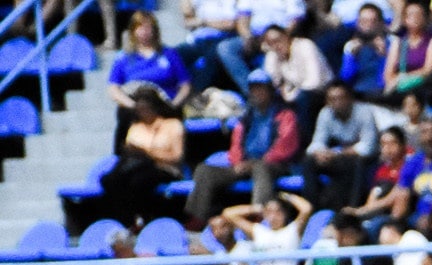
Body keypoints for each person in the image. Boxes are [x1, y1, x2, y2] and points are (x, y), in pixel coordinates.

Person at [186, 70, 301, 225]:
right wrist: (238, 161)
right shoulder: (246, 117)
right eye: (254, 89)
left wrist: (257, 162)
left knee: (261, 168)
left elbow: (286, 146)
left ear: (269, 90)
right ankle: (197, 219)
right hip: (245, 164)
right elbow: (236, 144)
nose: (257, 93)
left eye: (261, 88)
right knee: (204, 171)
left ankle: (258, 217)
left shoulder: (285, 114)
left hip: (275, 164)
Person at [100, 84, 187, 228]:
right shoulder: (135, 127)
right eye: (139, 110)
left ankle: (144, 219)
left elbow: (177, 157)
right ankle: (124, 222)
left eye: (146, 109)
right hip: (137, 165)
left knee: (139, 181)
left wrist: (148, 153)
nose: (143, 113)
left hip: (164, 168)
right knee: (110, 180)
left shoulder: (173, 125)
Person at [223, 189, 313, 265]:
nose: (273, 217)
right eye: (269, 212)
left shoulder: (292, 231)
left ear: (285, 213)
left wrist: (285, 196)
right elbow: (228, 213)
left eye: (278, 212)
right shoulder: (258, 232)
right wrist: (258, 208)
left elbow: (306, 208)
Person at [308, 81, 380, 210]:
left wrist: (337, 153)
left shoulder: (364, 112)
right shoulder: (325, 113)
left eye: (341, 98)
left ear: (350, 98)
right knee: (309, 161)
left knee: (356, 162)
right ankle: (312, 206)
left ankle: (351, 208)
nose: (337, 103)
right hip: (338, 156)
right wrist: (321, 153)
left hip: (365, 159)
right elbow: (316, 143)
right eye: (332, 99)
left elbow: (368, 147)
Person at [110, 13, 193, 122]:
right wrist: (133, 106)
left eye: (147, 28)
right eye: (140, 27)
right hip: (135, 105)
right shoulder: (124, 57)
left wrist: (173, 105)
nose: (144, 32)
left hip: (165, 104)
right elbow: (114, 88)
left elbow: (185, 85)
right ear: (133, 31)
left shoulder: (170, 54)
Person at [385, 0, 432, 98]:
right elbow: (388, 73)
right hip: (400, 89)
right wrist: (394, 81)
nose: (415, 18)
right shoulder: (398, 42)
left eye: (418, 15)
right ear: (404, 19)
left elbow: (428, 70)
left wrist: (405, 78)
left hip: (422, 86)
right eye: (411, 15)